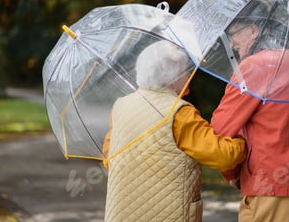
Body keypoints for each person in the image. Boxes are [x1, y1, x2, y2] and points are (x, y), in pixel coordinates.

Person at [210, 0, 289, 221]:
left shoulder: (254, 68)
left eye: (233, 34)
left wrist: (232, 173)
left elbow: (219, 132)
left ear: (253, 29)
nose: (232, 43)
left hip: (271, 189)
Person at [103, 40, 246, 222]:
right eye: (184, 70)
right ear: (170, 75)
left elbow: (109, 156)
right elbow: (223, 156)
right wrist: (245, 142)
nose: (188, 74)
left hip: (121, 213)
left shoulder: (121, 106)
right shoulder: (179, 112)